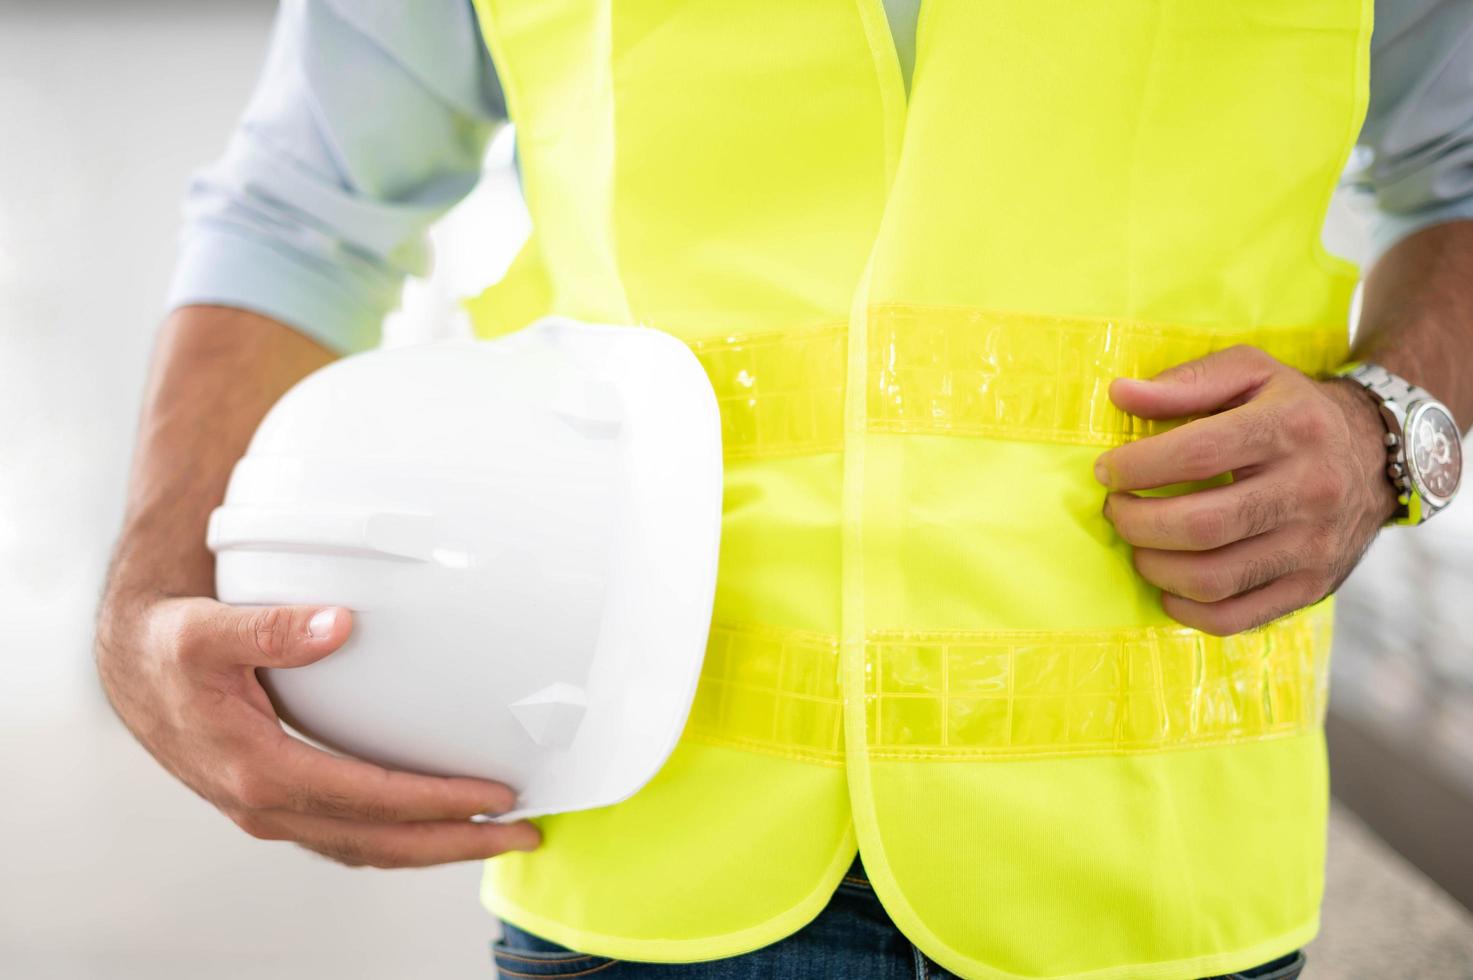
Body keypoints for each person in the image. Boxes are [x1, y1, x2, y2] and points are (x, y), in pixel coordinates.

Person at [95, 2, 1473, 978]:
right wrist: (148, 598)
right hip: (647, 865)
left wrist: (1384, 430)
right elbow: (296, 214)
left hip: (1151, 869)